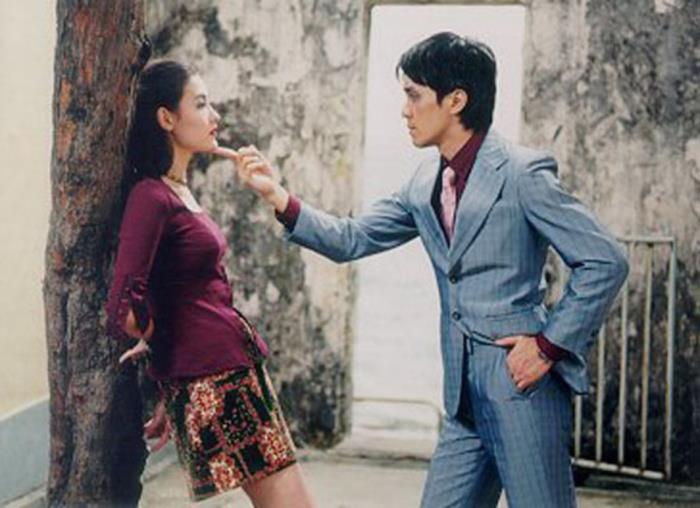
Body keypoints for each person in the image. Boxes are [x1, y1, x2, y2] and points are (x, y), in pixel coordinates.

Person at [217, 32, 629, 507]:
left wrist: (548, 346)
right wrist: (276, 195)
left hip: (522, 386)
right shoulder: (423, 184)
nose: (405, 110)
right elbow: (350, 238)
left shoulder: (522, 174)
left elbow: (605, 260)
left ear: (456, 100)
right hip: (462, 401)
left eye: (414, 95)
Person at [105, 59, 315, 507]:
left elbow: (176, 290)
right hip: (217, 380)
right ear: (167, 118)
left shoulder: (177, 190)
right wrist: (162, 346)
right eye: (200, 104)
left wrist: (166, 349)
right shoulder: (150, 196)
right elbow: (124, 305)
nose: (214, 116)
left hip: (231, 367)